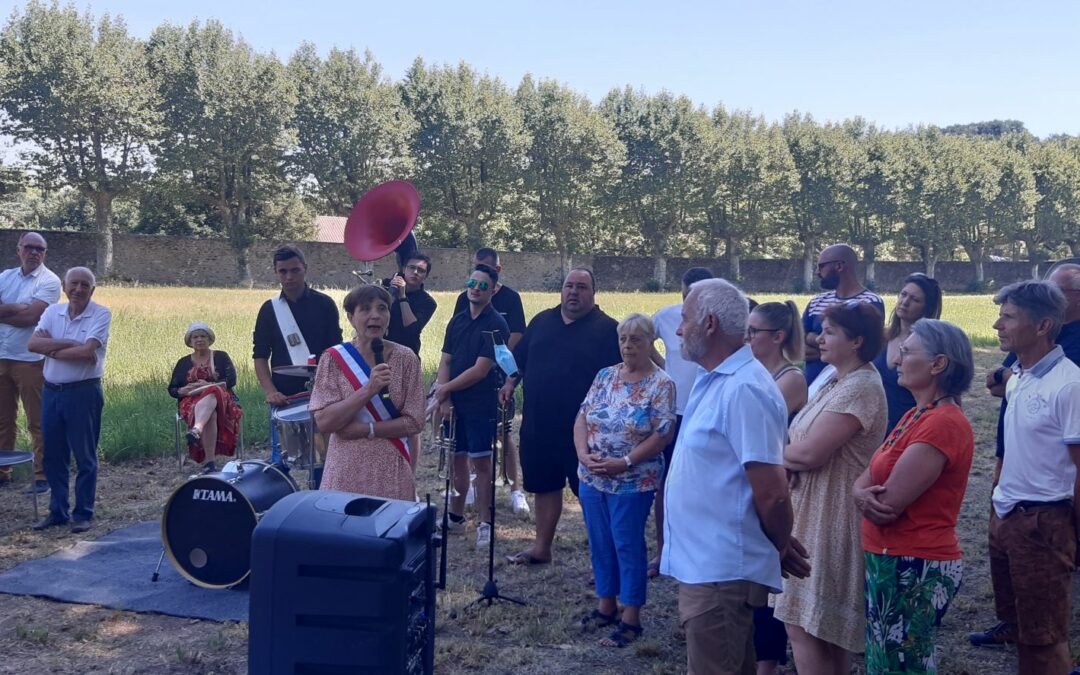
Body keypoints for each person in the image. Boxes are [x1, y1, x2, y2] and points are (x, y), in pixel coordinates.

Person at [662, 278, 807, 675]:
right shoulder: (717, 379)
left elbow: (773, 492)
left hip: (721, 572)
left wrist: (778, 542)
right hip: (708, 566)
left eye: (685, 319)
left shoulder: (744, 388)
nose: (678, 330)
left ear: (709, 324)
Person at [854, 318, 974, 673]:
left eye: (906, 353)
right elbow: (863, 482)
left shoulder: (943, 423)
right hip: (892, 558)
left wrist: (861, 496)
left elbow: (886, 504)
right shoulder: (916, 415)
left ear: (938, 364)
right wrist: (859, 494)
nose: (895, 360)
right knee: (885, 662)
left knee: (903, 667)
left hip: (914, 563)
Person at [773, 301, 886, 674]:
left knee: (807, 626)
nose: (818, 338)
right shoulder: (835, 379)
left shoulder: (862, 386)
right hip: (811, 510)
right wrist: (789, 460)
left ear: (856, 341)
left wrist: (773, 458)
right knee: (819, 629)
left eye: (830, 332)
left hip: (832, 516)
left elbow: (809, 453)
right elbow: (799, 447)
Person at [970, 263, 1080, 648]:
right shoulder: (1020, 374)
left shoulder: (1069, 385)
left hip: (1043, 520)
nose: (998, 325)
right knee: (1023, 630)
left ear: (1043, 326)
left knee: (1046, 644)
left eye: (1008, 317)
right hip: (1008, 511)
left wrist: (1073, 534)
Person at [501, 268, 620, 566]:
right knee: (544, 486)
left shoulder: (608, 330)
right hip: (539, 425)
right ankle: (542, 548)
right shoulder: (542, 321)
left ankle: (605, 561)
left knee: (591, 496)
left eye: (581, 287)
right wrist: (508, 383)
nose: (574, 292)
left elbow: (623, 377)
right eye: (569, 286)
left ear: (593, 293)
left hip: (588, 432)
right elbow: (520, 363)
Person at [575, 313, 675, 648]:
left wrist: (626, 461)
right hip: (593, 475)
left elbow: (662, 433)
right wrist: (582, 454)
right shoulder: (605, 375)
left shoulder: (661, 384)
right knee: (600, 539)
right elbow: (583, 414)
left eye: (636, 340)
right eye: (623, 340)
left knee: (626, 543)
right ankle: (606, 605)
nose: (628, 346)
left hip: (633, 478)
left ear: (650, 343)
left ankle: (631, 616)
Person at [310, 285, 424, 501]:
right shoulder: (333, 359)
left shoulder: (406, 358)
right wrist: (368, 390)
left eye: (382, 308)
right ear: (351, 318)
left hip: (391, 469)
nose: (375, 315)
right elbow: (324, 422)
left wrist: (367, 429)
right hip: (344, 469)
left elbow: (415, 422)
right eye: (365, 309)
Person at [745, 299, 808, 675]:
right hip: (756, 478)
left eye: (755, 332)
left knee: (769, 577)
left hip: (776, 481)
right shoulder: (753, 371)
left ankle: (767, 662)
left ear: (778, 336)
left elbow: (757, 425)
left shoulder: (791, 378)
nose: (748, 337)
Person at [28, 267, 111, 534]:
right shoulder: (52, 312)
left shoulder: (101, 313)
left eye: (84, 285)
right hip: (51, 392)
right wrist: (70, 344)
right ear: (64, 287)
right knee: (53, 456)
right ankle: (58, 511)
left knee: (85, 457)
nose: (78, 289)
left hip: (83, 393)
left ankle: (83, 513)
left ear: (92, 289)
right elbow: (32, 345)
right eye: (73, 284)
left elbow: (88, 350)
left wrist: (51, 347)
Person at [434, 264, 510, 548]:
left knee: (481, 464)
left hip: (481, 404)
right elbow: (446, 361)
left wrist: (444, 390)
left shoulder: (497, 324)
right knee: (456, 460)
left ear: (494, 290)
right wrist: (446, 398)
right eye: (471, 282)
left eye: (482, 285)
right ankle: (455, 518)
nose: (475, 289)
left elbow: (481, 370)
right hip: (454, 405)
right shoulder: (457, 321)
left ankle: (485, 523)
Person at [646, 266, 712, 578]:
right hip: (675, 412)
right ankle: (663, 552)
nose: (691, 302)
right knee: (665, 485)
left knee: (705, 484)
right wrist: (664, 368)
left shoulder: (720, 323)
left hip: (708, 412)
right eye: (687, 295)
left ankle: (701, 550)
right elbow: (643, 340)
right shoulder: (667, 316)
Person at [453, 248, 529, 516]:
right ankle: (471, 490)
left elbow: (517, 335)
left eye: (487, 272)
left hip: (495, 379)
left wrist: (491, 358)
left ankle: (515, 489)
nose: (477, 285)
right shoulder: (464, 300)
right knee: (468, 447)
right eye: (475, 272)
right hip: (466, 381)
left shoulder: (511, 299)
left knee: (503, 434)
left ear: (498, 273)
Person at [252, 245, 342, 463]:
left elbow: (336, 351)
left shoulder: (325, 304)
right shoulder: (269, 309)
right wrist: (270, 391)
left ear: (305, 269)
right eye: (283, 271)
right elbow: (260, 356)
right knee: (282, 460)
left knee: (324, 459)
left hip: (322, 394)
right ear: (275, 271)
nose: (289, 277)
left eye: (295, 270)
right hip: (284, 398)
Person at [0, 232, 60, 493]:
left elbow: (32, 317)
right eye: (30, 247)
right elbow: (23, 313)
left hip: (30, 360)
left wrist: (8, 310)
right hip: (1, 357)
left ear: (45, 253)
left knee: (38, 421)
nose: (34, 252)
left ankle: (41, 475)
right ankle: (3, 473)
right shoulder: (5, 276)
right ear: (19, 249)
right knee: (3, 420)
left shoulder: (50, 281)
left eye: (40, 249)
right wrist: (18, 308)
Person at [802, 244, 884, 385]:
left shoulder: (870, 303)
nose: (817, 272)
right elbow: (797, 343)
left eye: (821, 266)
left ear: (839, 266)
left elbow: (865, 349)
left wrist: (811, 339)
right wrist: (833, 350)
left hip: (848, 386)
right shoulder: (816, 301)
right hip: (809, 389)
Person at [168, 322, 244, 472]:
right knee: (212, 414)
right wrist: (183, 390)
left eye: (203, 336)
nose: (199, 339)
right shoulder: (183, 362)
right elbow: (172, 389)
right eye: (195, 337)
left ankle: (197, 429)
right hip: (192, 401)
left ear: (209, 339)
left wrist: (208, 384)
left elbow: (231, 380)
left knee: (212, 392)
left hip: (223, 398)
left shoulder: (221, 356)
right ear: (190, 342)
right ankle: (209, 462)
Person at [873, 273, 943, 435]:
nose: (905, 302)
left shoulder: (933, 346)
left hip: (911, 429)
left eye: (915, 299)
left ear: (927, 308)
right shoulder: (880, 337)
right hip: (875, 429)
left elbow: (948, 395)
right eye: (903, 294)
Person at [386, 252, 438, 357]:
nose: (415, 272)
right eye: (411, 267)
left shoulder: (428, 302)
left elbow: (411, 329)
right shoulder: (387, 288)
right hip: (381, 351)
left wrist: (402, 296)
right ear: (404, 269)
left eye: (421, 270)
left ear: (426, 276)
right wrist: (390, 292)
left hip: (406, 355)